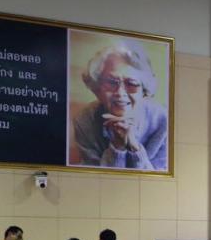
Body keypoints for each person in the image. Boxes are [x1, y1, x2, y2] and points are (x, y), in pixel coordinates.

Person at [72, 42, 169, 171]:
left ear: (143, 90)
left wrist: (134, 147)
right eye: (111, 83)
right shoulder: (85, 120)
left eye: (131, 84)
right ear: (97, 87)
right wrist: (117, 146)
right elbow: (96, 179)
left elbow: (157, 181)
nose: (120, 93)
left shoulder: (164, 122)